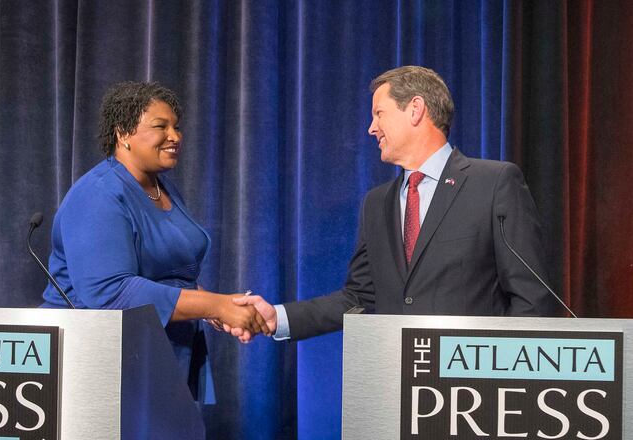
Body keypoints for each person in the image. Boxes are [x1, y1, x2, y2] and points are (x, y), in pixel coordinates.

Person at [232, 65, 557, 342]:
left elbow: (531, 297)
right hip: (399, 385)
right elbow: (358, 299)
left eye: (379, 113)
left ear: (415, 109)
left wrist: (506, 374)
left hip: (474, 392)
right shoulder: (377, 203)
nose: (371, 128)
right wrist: (277, 317)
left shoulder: (494, 183)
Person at [41, 81, 270, 401]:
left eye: (176, 127)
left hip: (164, 350)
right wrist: (216, 304)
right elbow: (110, 293)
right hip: (103, 362)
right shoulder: (98, 194)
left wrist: (219, 308)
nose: (175, 136)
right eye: (161, 126)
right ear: (122, 133)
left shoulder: (160, 188)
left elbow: (166, 274)